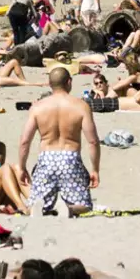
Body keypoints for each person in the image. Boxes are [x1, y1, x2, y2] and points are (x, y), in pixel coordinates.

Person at [17, 66, 99, 217]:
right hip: (70, 158)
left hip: (46, 158)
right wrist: (95, 169)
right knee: (84, 205)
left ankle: (39, 208)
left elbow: (24, 141)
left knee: (33, 203)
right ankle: (70, 209)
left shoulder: (37, 107)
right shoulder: (81, 106)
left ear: (49, 84)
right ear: (69, 82)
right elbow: (92, 141)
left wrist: (22, 167)